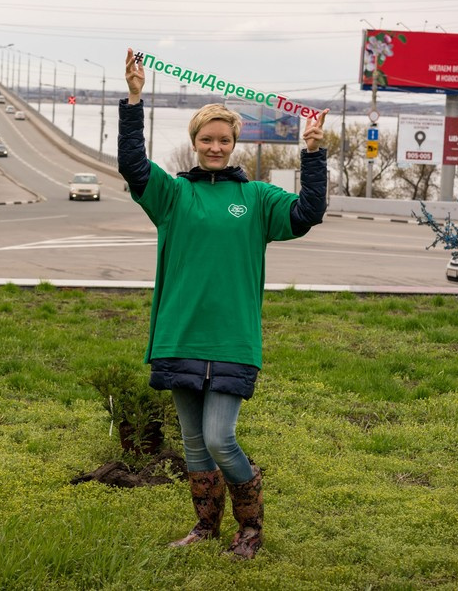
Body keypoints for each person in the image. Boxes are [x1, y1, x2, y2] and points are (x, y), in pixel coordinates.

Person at [118, 48, 328, 559]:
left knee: (219, 439)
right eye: (207, 139)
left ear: (235, 144)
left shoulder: (256, 199)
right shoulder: (172, 195)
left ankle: (250, 529)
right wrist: (133, 101)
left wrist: (314, 153)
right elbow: (133, 166)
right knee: (193, 443)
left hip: (233, 338)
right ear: (194, 143)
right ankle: (205, 529)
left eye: (224, 139)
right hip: (180, 332)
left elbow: (309, 212)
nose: (215, 146)